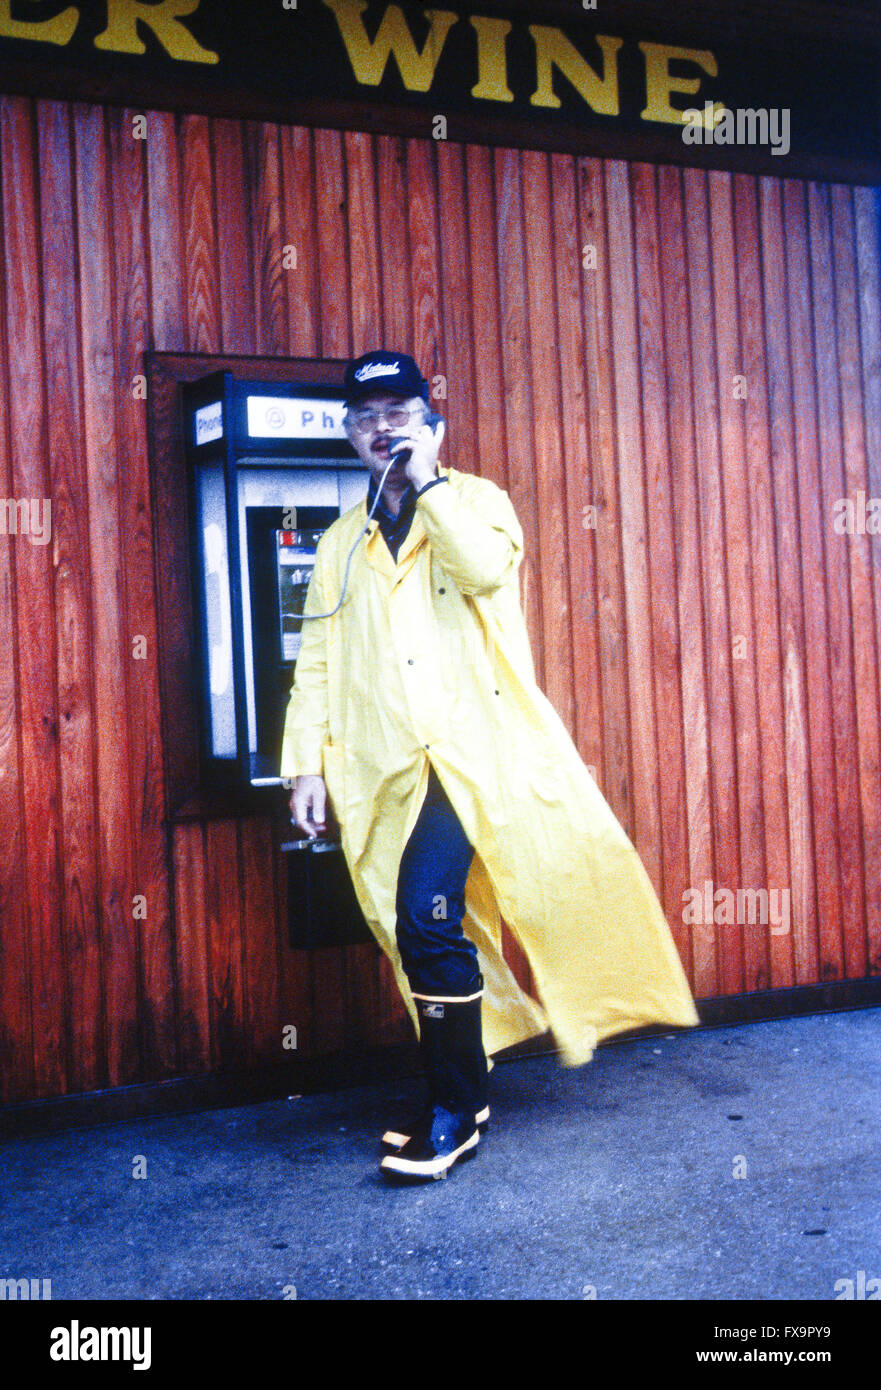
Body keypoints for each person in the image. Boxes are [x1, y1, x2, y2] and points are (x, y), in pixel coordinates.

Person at [282, 349, 699, 1183]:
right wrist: (305, 766)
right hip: (386, 766)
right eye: (365, 417)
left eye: (399, 412)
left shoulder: (475, 503)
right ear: (348, 433)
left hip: (474, 754)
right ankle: (460, 1092)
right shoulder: (339, 539)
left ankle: (456, 1110)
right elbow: (319, 657)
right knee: (422, 927)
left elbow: (479, 569)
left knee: (424, 917)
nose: (381, 428)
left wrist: (428, 483)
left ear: (431, 424)